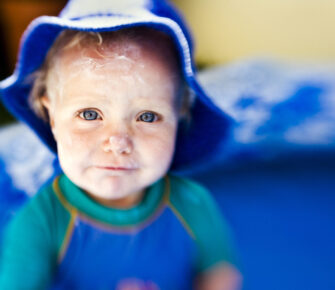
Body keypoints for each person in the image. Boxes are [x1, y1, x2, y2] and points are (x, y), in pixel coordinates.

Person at [0, 0, 241, 289]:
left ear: (180, 117)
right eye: (90, 114)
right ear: (50, 115)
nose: (118, 142)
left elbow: (219, 273)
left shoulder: (192, 203)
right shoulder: (42, 222)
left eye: (148, 116)